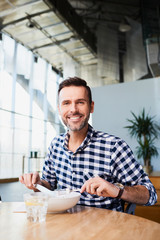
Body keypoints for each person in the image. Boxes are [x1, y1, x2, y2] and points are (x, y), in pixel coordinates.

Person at [19, 77, 157, 211]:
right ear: (59, 109)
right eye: (66, 103)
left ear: (91, 107)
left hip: (105, 230)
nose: (73, 109)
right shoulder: (55, 145)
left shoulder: (114, 147)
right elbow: (49, 186)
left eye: (80, 102)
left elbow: (150, 194)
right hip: (65, 226)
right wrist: (37, 184)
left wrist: (117, 190)